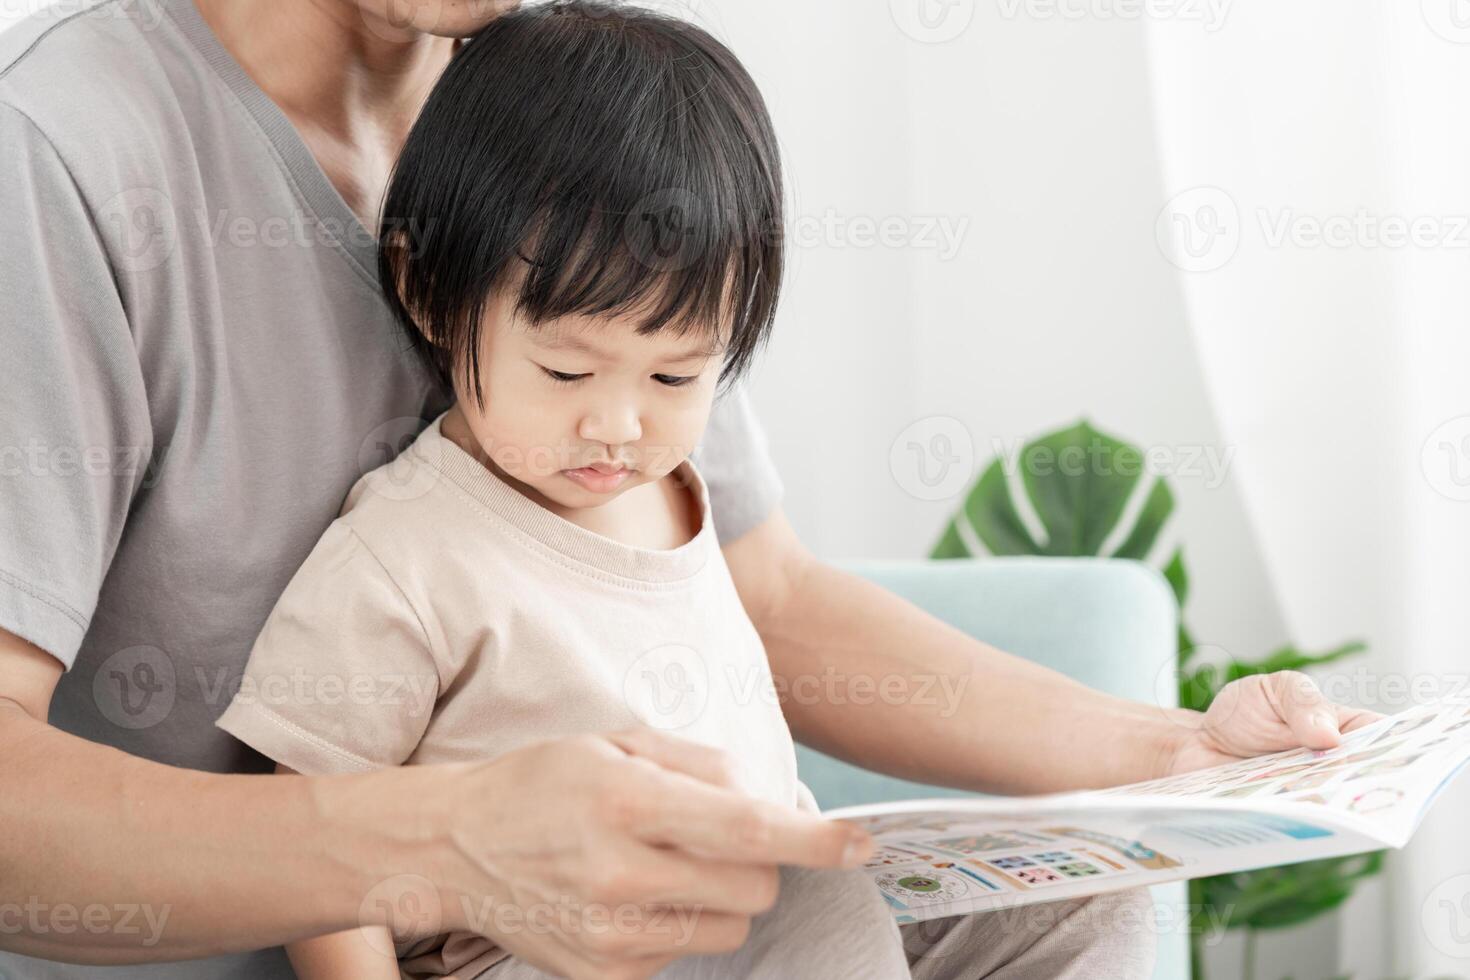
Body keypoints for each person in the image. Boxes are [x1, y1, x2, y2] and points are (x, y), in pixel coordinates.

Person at [0, 0, 1379, 978]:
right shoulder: (67, 150)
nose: (619, 414)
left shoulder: (556, 114)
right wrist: (440, 843)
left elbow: (763, 593)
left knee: (1078, 911)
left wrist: (1170, 753)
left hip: (644, 931)